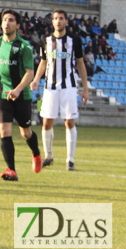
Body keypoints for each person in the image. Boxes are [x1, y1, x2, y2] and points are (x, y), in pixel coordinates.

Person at [0, 9, 42, 182]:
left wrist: (17, 89)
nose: (7, 23)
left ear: (17, 25)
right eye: (4, 20)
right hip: (1, 94)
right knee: (4, 130)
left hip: (21, 96)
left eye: (11, 20)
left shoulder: (24, 47)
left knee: (25, 133)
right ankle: (11, 170)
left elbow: (30, 73)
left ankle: (36, 154)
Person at [33, 9, 89, 171]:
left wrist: (85, 88)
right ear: (52, 22)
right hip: (50, 87)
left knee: (69, 122)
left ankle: (70, 160)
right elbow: (43, 62)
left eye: (61, 18)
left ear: (66, 21)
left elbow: (80, 64)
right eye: (56, 18)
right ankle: (48, 155)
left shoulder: (75, 40)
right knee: (46, 122)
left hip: (69, 87)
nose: (58, 21)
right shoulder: (45, 40)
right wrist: (36, 80)